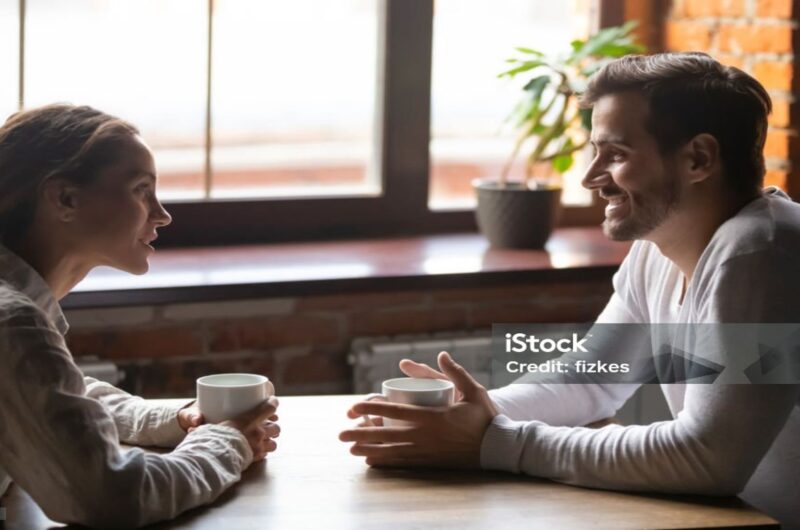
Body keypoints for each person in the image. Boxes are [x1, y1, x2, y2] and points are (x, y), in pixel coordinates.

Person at [339, 52, 800, 526]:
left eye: (616, 155)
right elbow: (594, 377)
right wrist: (464, 414)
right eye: (594, 151)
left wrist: (489, 441)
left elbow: (710, 458)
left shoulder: (762, 254)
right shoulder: (659, 247)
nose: (589, 177)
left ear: (698, 159)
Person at [0, 104, 280, 527]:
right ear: (65, 199)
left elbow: (45, 395)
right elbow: (115, 496)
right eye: (141, 189)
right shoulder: (13, 323)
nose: (162, 213)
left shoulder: (17, 313)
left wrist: (170, 421)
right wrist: (227, 441)